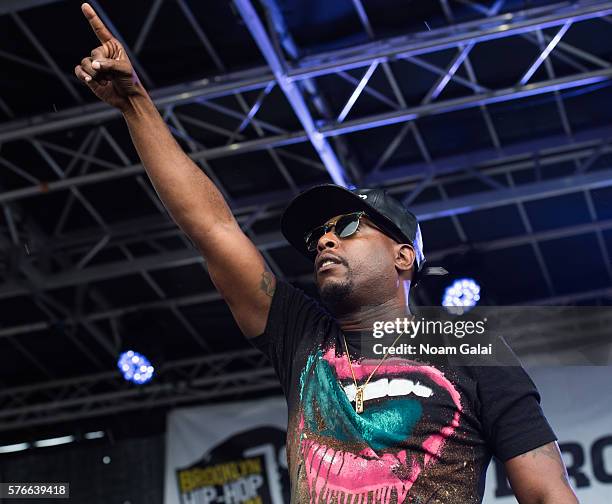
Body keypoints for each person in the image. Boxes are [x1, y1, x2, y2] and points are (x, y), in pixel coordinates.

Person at [74, 3, 580, 503]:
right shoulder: (302, 336)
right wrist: (136, 104)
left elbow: (544, 492)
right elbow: (212, 227)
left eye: (347, 226)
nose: (324, 240)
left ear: (404, 257)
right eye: (318, 236)